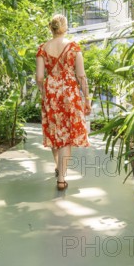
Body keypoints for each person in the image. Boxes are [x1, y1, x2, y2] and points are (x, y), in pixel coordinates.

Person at [36, 14, 91, 190]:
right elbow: (81, 75)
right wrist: (87, 98)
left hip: (51, 91)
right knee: (66, 135)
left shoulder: (42, 49)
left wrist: (44, 92)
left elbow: (39, 77)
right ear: (64, 27)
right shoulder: (74, 48)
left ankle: (58, 165)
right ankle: (61, 179)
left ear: (51, 28)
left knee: (54, 131)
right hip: (69, 92)